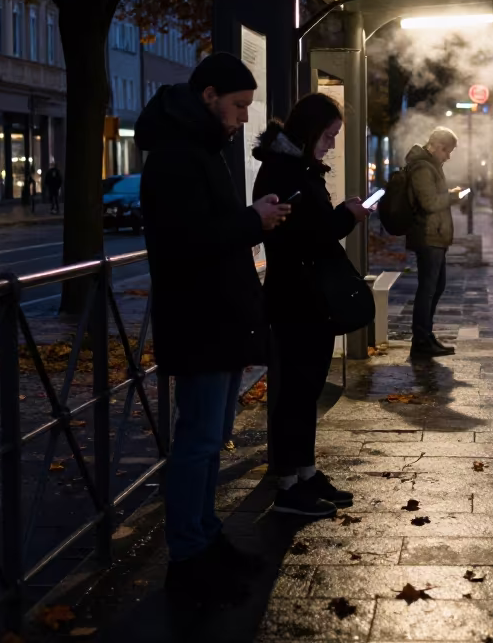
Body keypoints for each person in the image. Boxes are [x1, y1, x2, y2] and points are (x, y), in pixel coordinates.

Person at [137, 53, 290, 606]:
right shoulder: (179, 157)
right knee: (198, 442)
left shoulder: (195, 149)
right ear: (208, 96)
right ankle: (188, 555)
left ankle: (203, 540)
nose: (244, 117)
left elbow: (205, 231)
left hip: (212, 317)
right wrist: (253, 220)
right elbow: (188, 243)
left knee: (208, 440)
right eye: (238, 105)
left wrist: (251, 216)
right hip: (199, 318)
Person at [253, 94, 368, 517]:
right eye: (328, 135)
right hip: (296, 296)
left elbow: (307, 228)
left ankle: (305, 471)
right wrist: (346, 217)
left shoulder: (296, 166)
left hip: (306, 295)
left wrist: (339, 216)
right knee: (297, 393)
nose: (332, 144)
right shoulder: (286, 170)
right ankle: (288, 484)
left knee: (306, 391)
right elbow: (303, 235)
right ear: (309, 131)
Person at [405, 127, 462, 357]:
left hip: (435, 235)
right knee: (428, 289)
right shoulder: (422, 167)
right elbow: (428, 202)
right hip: (428, 236)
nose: (448, 156)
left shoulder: (431, 166)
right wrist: (452, 196)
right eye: (447, 151)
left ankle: (426, 337)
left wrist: (449, 194)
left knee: (436, 287)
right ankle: (421, 341)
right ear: (437, 146)